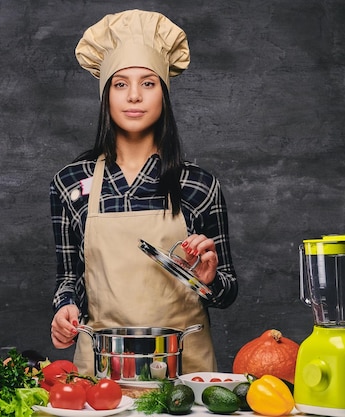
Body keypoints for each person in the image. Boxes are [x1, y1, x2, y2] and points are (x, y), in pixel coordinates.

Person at [49, 9, 237, 376]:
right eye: (121, 84)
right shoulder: (71, 184)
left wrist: (210, 279)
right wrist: (64, 309)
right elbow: (69, 280)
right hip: (102, 372)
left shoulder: (198, 186)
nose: (134, 96)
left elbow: (227, 292)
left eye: (148, 83)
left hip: (183, 372)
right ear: (106, 94)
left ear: (164, 94)